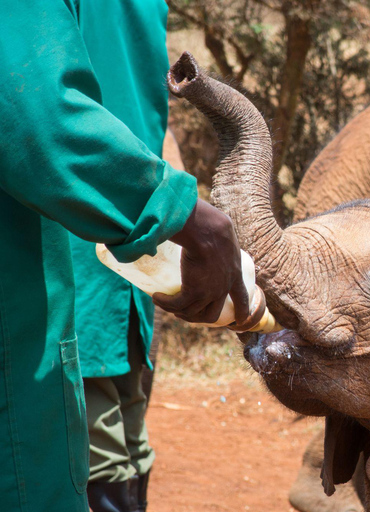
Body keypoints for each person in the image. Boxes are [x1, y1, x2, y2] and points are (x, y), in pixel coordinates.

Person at [0, 1, 255, 511]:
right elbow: (36, 115)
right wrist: (184, 216)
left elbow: (144, 124)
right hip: (57, 275)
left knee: (124, 450)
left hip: (127, 271)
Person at [66, 2, 187, 510]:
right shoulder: (143, 7)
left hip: (70, 257)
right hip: (132, 253)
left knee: (92, 448)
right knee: (127, 436)